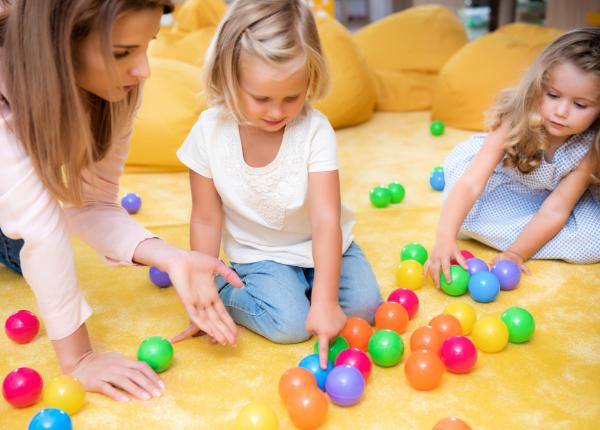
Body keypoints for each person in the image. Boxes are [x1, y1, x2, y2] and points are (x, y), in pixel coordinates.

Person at [0, 0, 242, 402]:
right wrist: (78, 360)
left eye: (148, 44)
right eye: (121, 53)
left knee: (21, 250)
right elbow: (41, 226)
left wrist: (170, 256)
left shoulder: (122, 87)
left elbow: (92, 204)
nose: (143, 69)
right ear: (58, 45)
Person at [174, 0, 382, 368]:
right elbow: (206, 219)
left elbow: (325, 221)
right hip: (260, 253)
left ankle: (309, 292)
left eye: (292, 97)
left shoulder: (314, 131)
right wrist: (204, 288)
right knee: (289, 324)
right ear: (229, 76)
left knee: (365, 309)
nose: (276, 112)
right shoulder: (208, 132)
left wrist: (325, 301)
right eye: (261, 98)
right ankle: (226, 288)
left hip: (324, 243)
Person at [426, 27, 600, 287]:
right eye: (552, 95)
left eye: (580, 105)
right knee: (465, 214)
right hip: (501, 186)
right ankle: (491, 229)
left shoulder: (589, 147)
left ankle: (514, 237)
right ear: (537, 86)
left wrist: (516, 253)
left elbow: (556, 209)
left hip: (545, 201)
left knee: (591, 242)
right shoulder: (516, 118)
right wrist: (445, 238)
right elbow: (472, 182)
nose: (561, 111)